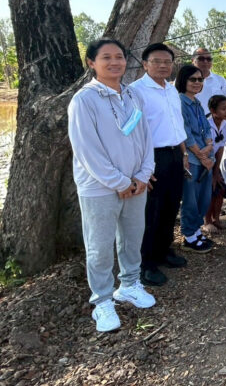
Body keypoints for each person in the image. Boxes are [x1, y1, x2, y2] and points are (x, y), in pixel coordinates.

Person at [68, 39, 156, 332]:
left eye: (119, 56)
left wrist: (144, 174)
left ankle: (129, 284)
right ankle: (102, 300)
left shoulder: (132, 95)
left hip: (136, 184)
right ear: (92, 63)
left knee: (133, 237)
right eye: (106, 57)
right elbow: (87, 150)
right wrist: (119, 182)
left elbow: (145, 136)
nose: (115, 62)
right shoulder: (84, 100)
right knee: (99, 246)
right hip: (100, 188)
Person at [129, 42, 188, 287]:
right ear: (145, 64)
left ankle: (164, 251)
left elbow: (177, 126)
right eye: (157, 61)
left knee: (170, 207)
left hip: (175, 155)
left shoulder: (171, 89)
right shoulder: (135, 91)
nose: (163, 65)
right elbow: (130, 133)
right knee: (150, 212)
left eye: (167, 62)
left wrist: (183, 155)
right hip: (151, 158)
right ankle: (146, 264)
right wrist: (139, 168)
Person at [177, 64, 215, 253]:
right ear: (183, 80)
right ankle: (189, 235)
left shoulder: (198, 103)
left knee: (203, 197)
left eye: (200, 79)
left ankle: (197, 230)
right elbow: (185, 133)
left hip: (205, 157)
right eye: (193, 79)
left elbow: (206, 129)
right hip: (191, 158)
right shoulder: (180, 102)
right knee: (190, 199)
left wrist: (208, 147)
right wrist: (201, 155)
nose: (197, 83)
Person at [203, 95, 226, 235]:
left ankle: (217, 219)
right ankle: (207, 221)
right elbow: (205, 150)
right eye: (223, 108)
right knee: (208, 191)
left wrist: (217, 172)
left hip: (216, 161)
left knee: (219, 189)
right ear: (213, 111)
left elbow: (220, 148)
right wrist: (211, 173)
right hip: (204, 161)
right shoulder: (206, 124)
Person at [192, 47, 226, 116]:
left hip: (216, 124)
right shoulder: (184, 80)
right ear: (193, 60)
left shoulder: (220, 80)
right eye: (201, 59)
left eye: (209, 59)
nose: (205, 62)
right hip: (193, 123)